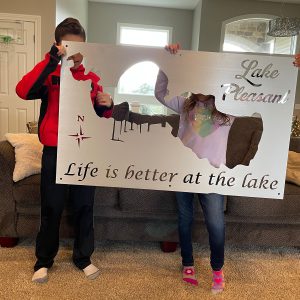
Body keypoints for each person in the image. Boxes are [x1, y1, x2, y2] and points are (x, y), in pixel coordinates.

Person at [16, 18, 113, 283]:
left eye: (81, 47)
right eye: (69, 46)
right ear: (59, 45)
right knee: (52, 206)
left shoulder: (93, 79)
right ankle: (44, 260)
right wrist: (51, 59)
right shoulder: (50, 74)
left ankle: (83, 258)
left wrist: (107, 105)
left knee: (84, 206)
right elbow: (23, 91)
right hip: (56, 151)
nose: (76, 53)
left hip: (84, 152)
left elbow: (101, 117)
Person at [154, 43, 232, 294]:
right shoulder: (184, 105)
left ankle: (217, 269)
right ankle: (187, 263)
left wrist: (289, 68)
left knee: (216, 224)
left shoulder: (227, 112)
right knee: (185, 219)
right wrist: (166, 63)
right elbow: (159, 93)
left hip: (212, 177)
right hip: (184, 174)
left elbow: (259, 96)